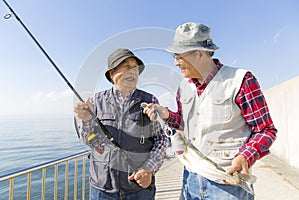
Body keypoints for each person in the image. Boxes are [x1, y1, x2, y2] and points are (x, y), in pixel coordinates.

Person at [143, 22, 277, 199]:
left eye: (178, 56)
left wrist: (246, 156)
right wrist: (166, 114)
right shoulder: (184, 87)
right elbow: (185, 124)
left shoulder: (241, 80)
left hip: (228, 186)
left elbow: (265, 130)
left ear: (199, 53)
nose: (175, 63)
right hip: (190, 178)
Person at [73, 48, 167, 200]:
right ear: (112, 74)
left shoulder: (150, 101)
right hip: (101, 189)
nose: (132, 71)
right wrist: (86, 120)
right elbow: (89, 140)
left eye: (135, 67)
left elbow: (160, 139)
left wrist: (149, 168)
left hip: (139, 189)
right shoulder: (95, 102)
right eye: (126, 66)